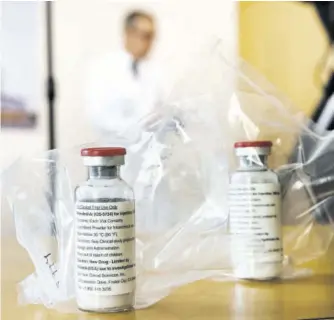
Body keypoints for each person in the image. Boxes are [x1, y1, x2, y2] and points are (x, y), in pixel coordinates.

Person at [86, 10, 163, 143]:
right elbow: (98, 117)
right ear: (129, 34)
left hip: (148, 152)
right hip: (116, 150)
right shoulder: (103, 68)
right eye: (145, 36)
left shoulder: (154, 70)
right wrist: (137, 128)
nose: (149, 43)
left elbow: (158, 109)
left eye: (152, 37)